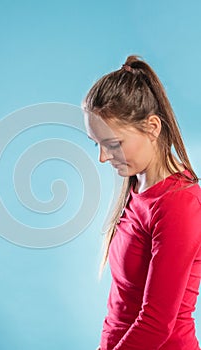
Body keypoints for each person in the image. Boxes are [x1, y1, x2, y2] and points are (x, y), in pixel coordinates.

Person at [82, 55, 201, 350]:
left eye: (113, 144)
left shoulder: (179, 205)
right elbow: (121, 307)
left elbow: (156, 324)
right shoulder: (137, 186)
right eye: (97, 144)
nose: (102, 157)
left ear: (152, 128)